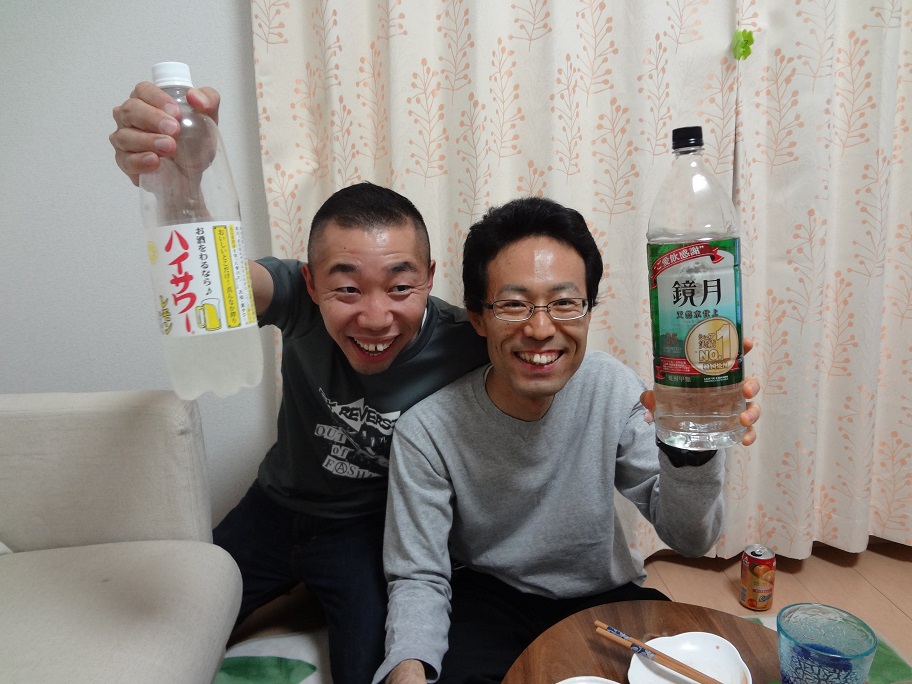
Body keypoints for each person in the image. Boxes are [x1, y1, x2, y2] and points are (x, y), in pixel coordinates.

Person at [112, 82, 492, 684]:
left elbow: (539, 349)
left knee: (372, 670)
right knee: (159, 637)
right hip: (272, 506)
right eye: (347, 288)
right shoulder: (296, 298)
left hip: (367, 529)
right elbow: (218, 281)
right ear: (312, 284)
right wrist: (182, 184)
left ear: (429, 277)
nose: (375, 318)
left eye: (400, 287)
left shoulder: (464, 338)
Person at [375, 196, 761, 684]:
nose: (541, 329)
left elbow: (690, 538)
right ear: (477, 316)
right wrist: (409, 669)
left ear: (588, 310)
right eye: (514, 304)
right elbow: (418, 576)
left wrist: (693, 442)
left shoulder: (610, 387)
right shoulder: (426, 431)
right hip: (489, 599)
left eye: (564, 303)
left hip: (604, 595)